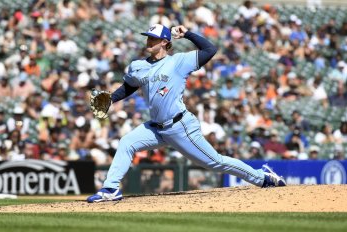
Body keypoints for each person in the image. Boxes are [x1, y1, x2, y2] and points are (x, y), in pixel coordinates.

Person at [87, 24, 286, 203]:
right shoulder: (138, 66)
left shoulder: (179, 61)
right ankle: (111, 189)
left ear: (165, 42)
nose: (149, 41)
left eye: (153, 38)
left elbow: (210, 50)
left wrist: (188, 34)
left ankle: (263, 177)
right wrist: (112, 98)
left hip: (180, 126)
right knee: (126, 143)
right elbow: (130, 86)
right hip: (155, 128)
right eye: (148, 37)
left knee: (215, 162)